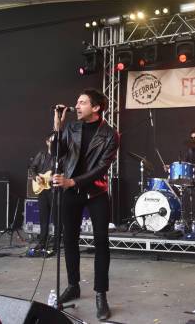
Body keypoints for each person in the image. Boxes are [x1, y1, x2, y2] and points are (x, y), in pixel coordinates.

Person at [51, 88, 119, 320]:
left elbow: (101, 168)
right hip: (70, 191)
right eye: (76, 102)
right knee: (69, 239)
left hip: (95, 192)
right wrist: (57, 128)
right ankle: (73, 285)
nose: (76, 106)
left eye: (82, 103)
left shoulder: (110, 134)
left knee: (101, 242)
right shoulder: (71, 127)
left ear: (96, 107)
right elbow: (56, 153)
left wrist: (72, 181)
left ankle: (101, 294)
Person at [28, 133, 56, 250]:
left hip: (54, 190)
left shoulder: (60, 157)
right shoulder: (41, 154)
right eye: (51, 140)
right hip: (42, 190)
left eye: (55, 141)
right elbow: (32, 168)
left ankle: (56, 244)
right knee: (43, 217)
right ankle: (42, 242)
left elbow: (66, 171)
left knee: (56, 218)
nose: (53, 143)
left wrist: (53, 178)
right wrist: (36, 177)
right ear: (47, 142)